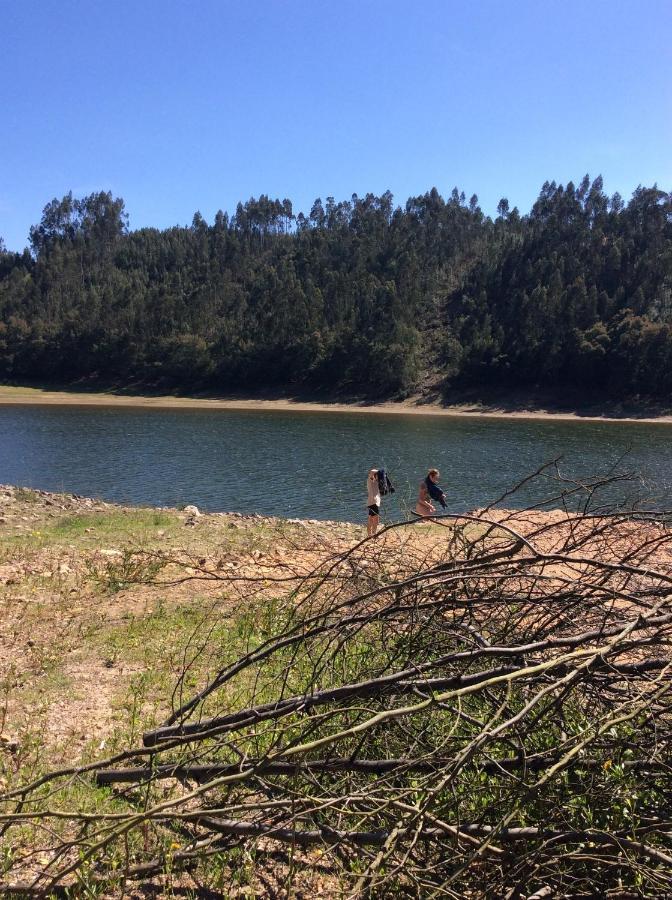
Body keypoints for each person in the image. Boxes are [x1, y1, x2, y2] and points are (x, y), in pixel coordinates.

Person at [367, 468, 381, 536]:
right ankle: (373, 534)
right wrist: (381, 471)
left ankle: (370, 534)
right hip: (373, 503)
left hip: (373, 503)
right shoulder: (370, 480)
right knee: (375, 520)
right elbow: (372, 471)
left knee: (372, 518)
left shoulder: (376, 482)